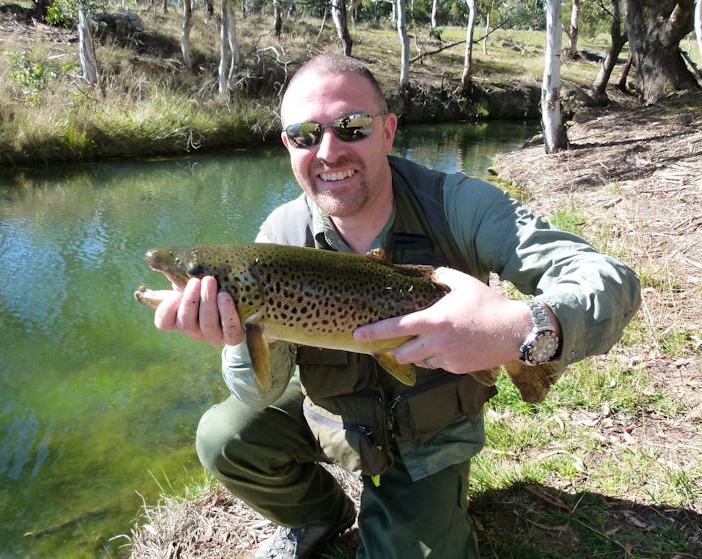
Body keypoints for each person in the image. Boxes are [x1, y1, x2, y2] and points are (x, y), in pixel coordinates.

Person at [153, 54, 641, 559]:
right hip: (338, 414)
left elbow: (612, 281)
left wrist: (519, 327)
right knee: (225, 436)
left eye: (352, 127)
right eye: (305, 135)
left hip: (427, 432)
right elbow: (257, 393)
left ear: (387, 131)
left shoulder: (458, 205)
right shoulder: (280, 236)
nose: (329, 150)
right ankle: (320, 515)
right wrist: (246, 338)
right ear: (288, 146)